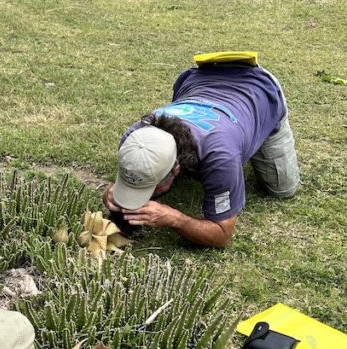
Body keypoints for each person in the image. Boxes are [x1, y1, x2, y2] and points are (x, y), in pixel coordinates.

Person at [103, 58, 301, 249]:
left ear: (176, 169)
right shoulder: (135, 139)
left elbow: (222, 235)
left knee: (282, 190)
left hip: (259, 90)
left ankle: (251, 134)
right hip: (198, 79)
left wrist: (176, 219)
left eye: (152, 187)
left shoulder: (221, 157)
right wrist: (117, 191)